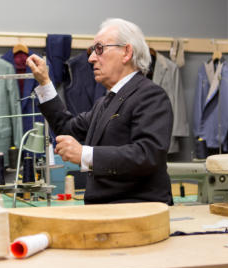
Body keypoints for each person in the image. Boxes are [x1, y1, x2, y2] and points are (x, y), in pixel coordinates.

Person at [26, 18, 174, 205]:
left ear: (126, 52)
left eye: (99, 49)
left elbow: (146, 154)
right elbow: (67, 127)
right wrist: (45, 83)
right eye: (92, 51)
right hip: (109, 212)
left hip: (136, 213)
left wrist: (85, 155)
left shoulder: (151, 96)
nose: (91, 58)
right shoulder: (104, 103)